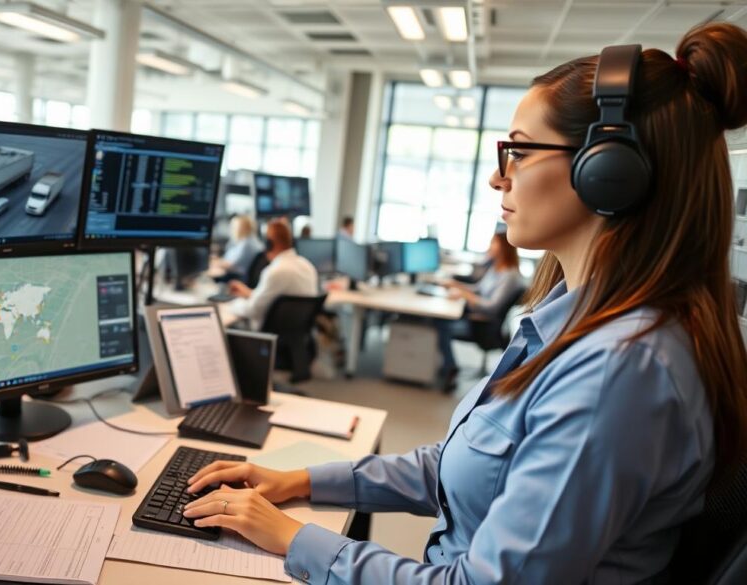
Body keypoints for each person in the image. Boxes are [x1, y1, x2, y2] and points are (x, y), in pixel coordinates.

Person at [179, 22, 747, 583]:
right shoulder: (568, 323)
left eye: (520, 152)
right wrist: (299, 480)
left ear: (606, 174)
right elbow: (462, 469)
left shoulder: (617, 370)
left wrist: (292, 537)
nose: (499, 179)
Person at [435, 232, 525, 386]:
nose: (489, 247)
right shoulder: (496, 267)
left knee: (441, 325)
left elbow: (492, 307)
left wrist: (464, 295)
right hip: (477, 318)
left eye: (493, 243)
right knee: (440, 319)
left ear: (504, 248)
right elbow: (478, 288)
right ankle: (444, 365)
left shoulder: (510, 276)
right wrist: (457, 285)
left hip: (484, 326)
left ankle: (450, 367)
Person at [228, 219, 318, 329]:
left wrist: (232, 305)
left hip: (265, 339)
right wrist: (248, 293)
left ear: (269, 244)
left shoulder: (274, 271)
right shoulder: (308, 266)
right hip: (296, 339)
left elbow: (253, 310)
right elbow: (273, 297)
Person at [217, 215, 263, 279]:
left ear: (240, 228)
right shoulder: (249, 240)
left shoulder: (246, 244)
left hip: (239, 278)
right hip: (239, 275)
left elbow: (231, 265)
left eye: (233, 227)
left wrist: (214, 262)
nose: (231, 230)